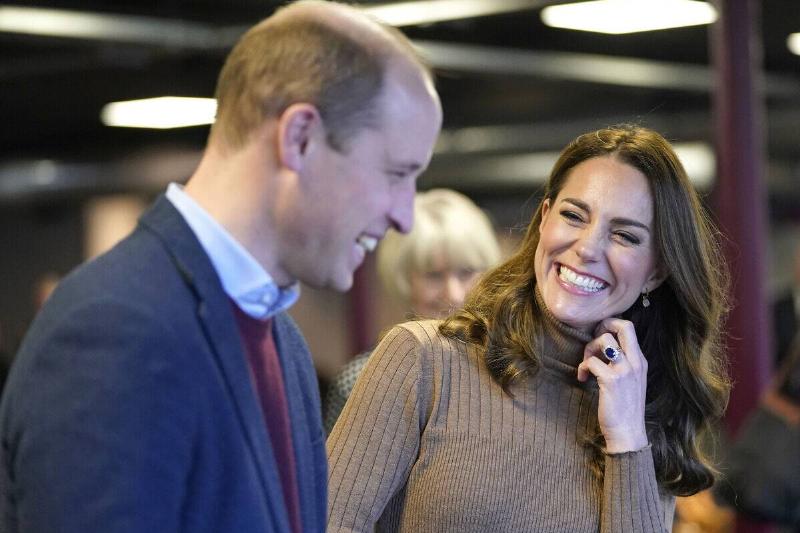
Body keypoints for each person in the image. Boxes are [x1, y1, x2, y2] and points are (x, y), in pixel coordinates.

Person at [0, 2, 442, 532]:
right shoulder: (117, 327)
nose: (404, 214)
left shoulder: (283, 342)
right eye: (396, 172)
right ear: (299, 138)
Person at [327, 124, 730, 532]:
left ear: (656, 271)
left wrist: (626, 437)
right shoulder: (424, 359)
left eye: (624, 235)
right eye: (573, 215)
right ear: (544, 219)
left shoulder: (642, 412)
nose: (588, 248)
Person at [322, 188, 502, 434]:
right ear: (404, 279)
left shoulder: (510, 368)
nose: (454, 294)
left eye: (466, 272)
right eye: (434, 275)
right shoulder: (361, 379)